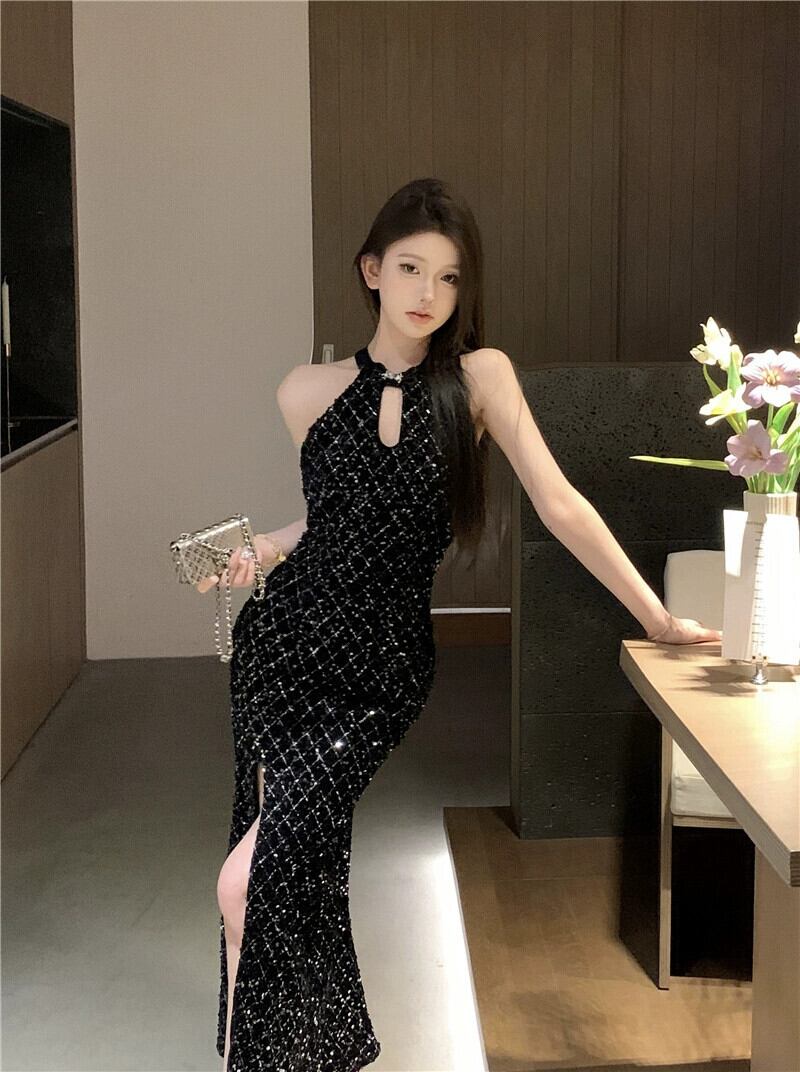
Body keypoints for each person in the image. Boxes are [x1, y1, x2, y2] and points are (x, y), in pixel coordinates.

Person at [197, 177, 721, 1071]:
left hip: (381, 665)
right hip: (282, 647)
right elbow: (332, 521)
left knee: (248, 878)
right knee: (277, 873)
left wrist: (659, 616)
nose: (428, 293)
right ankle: (284, 1053)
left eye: (447, 277)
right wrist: (261, 551)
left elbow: (560, 505)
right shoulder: (305, 390)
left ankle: (281, 1050)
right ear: (371, 270)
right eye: (409, 269)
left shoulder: (480, 379)